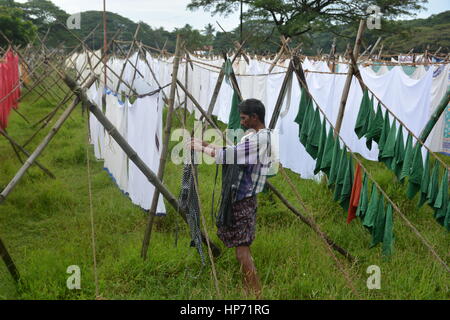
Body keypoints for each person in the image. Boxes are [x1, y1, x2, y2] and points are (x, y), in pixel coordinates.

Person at [191, 99, 276, 298]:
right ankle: (248, 289)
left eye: (245, 118)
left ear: (255, 117)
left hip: (243, 200)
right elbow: (234, 152)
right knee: (241, 250)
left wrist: (202, 148)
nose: (242, 121)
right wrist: (204, 144)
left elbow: (231, 155)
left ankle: (256, 294)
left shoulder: (260, 140)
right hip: (241, 197)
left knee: (242, 251)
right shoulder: (257, 136)